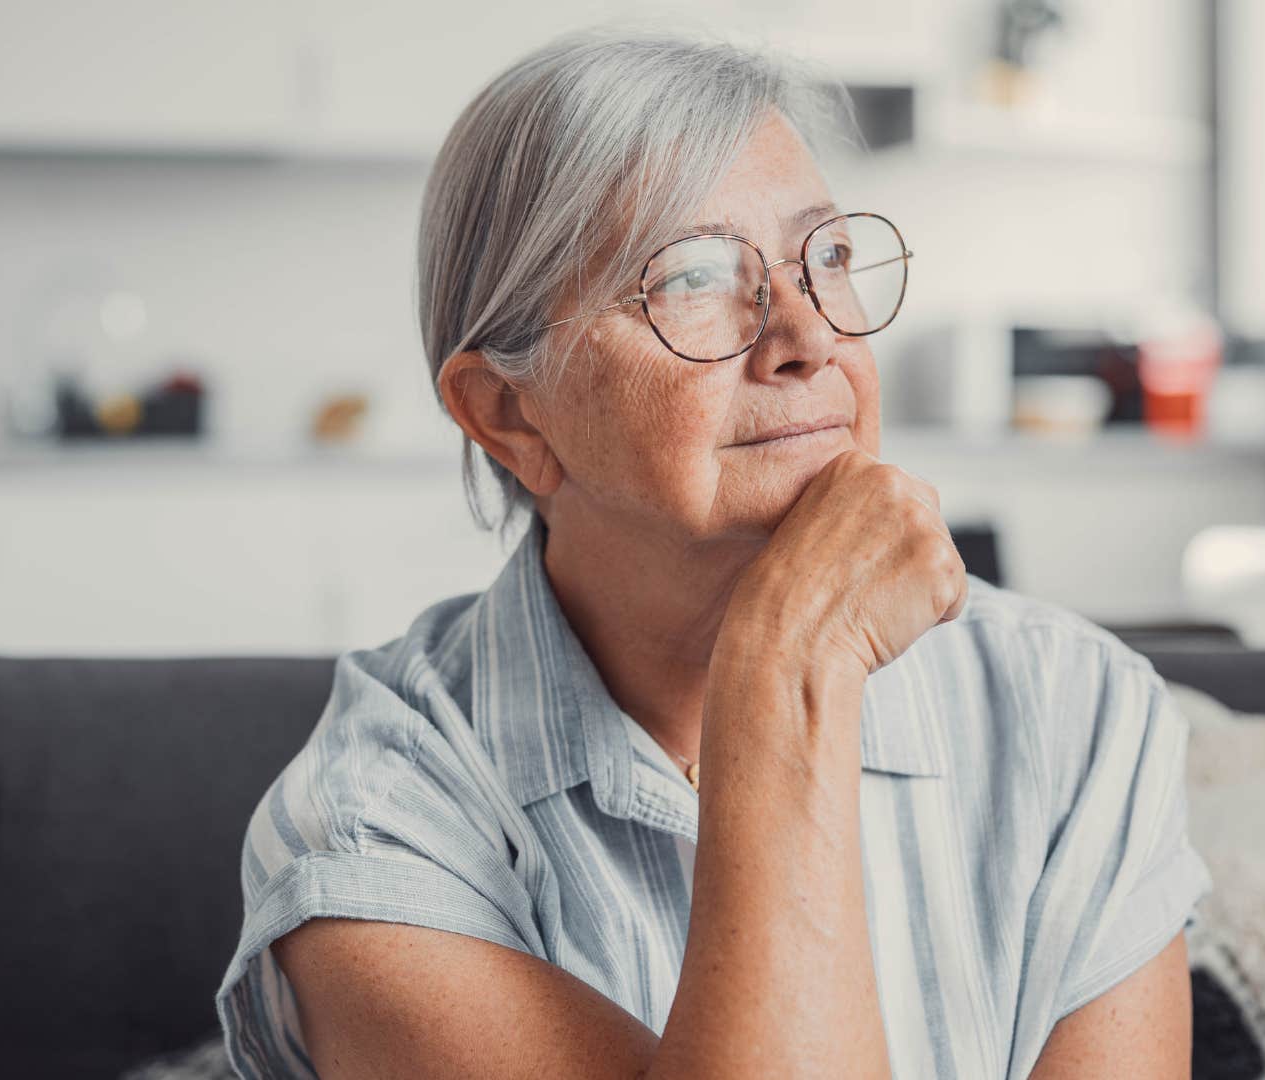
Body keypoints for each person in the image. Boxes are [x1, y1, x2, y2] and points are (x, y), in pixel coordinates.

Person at [215, 27, 1212, 1079]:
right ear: (511, 416)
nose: (809, 335)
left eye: (827, 256)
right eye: (691, 276)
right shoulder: (374, 830)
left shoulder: (1076, 711)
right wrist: (789, 673)